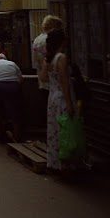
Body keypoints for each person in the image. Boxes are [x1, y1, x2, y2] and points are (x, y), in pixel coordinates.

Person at [39, 28, 76, 172]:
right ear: (62, 41)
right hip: (62, 97)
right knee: (66, 130)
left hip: (52, 97)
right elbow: (64, 81)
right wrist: (69, 103)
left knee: (54, 130)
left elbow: (43, 78)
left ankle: (55, 162)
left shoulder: (48, 58)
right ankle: (67, 164)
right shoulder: (61, 57)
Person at [0, 53, 23, 142]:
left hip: (0, 86)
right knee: (15, 112)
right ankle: (17, 135)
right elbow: (21, 79)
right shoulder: (13, 64)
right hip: (14, 86)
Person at [32, 15, 64, 94]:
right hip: (55, 82)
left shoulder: (36, 40)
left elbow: (35, 60)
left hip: (42, 80)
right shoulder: (52, 39)